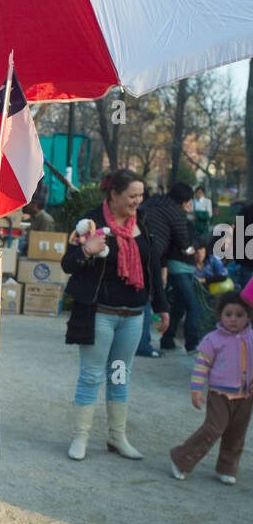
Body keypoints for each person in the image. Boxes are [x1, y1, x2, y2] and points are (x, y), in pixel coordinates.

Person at [62, 168, 169, 461]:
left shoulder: (142, 223)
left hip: (133, 316)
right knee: (92, 375)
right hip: (100, 315)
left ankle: (116, 436)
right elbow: (67, 263)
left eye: (141, 195)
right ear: (114, 195)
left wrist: (162, 307)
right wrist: (86, 250)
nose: (138, 201)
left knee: (120, 376)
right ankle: (80, 437)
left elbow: (153, 268)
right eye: (132, 195)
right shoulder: (90, 222)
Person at [170, 292, 253, 484]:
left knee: (237, 433)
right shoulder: (213, 339)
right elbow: (201, 365)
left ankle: (227, 467)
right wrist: (196, 389)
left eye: (239, 315)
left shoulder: (251, 338)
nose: (233, 319)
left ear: (248, 316)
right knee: (213, 429)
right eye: (228, 314)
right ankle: (181, 458)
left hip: (245, 396)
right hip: (219, 394)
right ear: (220, 315)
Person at [138, 182, 197, 356]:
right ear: (184, 200)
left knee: (140, 298)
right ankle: (143, 345)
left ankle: (156, 341)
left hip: (136, 249)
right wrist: (197, 248)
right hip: (151, 255)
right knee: (147, 300)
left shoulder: (152, 202)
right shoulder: (177, 214)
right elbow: (184, 246)